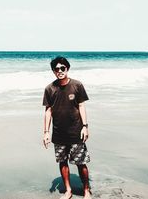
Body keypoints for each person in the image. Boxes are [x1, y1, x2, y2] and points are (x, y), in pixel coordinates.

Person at [42, 56, 92, 199]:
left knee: (81, 163)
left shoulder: (77, 85)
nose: (60, 71)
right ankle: (68, 190)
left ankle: (86, 190)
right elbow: (48, 111)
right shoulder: (49, 89)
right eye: (56, 69)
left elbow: (81, 106)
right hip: (58, 134)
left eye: (62, 68)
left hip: (76, 131)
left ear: (67, 68)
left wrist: (85, 126)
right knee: (62, 162)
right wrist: (46, 132)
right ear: (53, 71)